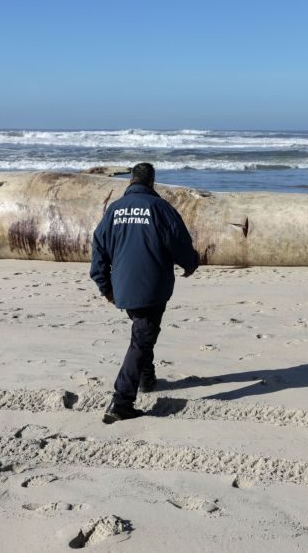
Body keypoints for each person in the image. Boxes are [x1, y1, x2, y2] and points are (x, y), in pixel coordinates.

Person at [90, 162, 200, 423]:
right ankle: (121, 400)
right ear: (152, 182)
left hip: (123, 288)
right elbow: (180, 242)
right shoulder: (160, 208)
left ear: (131, 181)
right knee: (141, 339)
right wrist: (190, 264)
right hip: (153, 288)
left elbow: (98, 252)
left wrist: (106, 288)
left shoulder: (114, 210)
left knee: (143, 331)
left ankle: (146, 378)